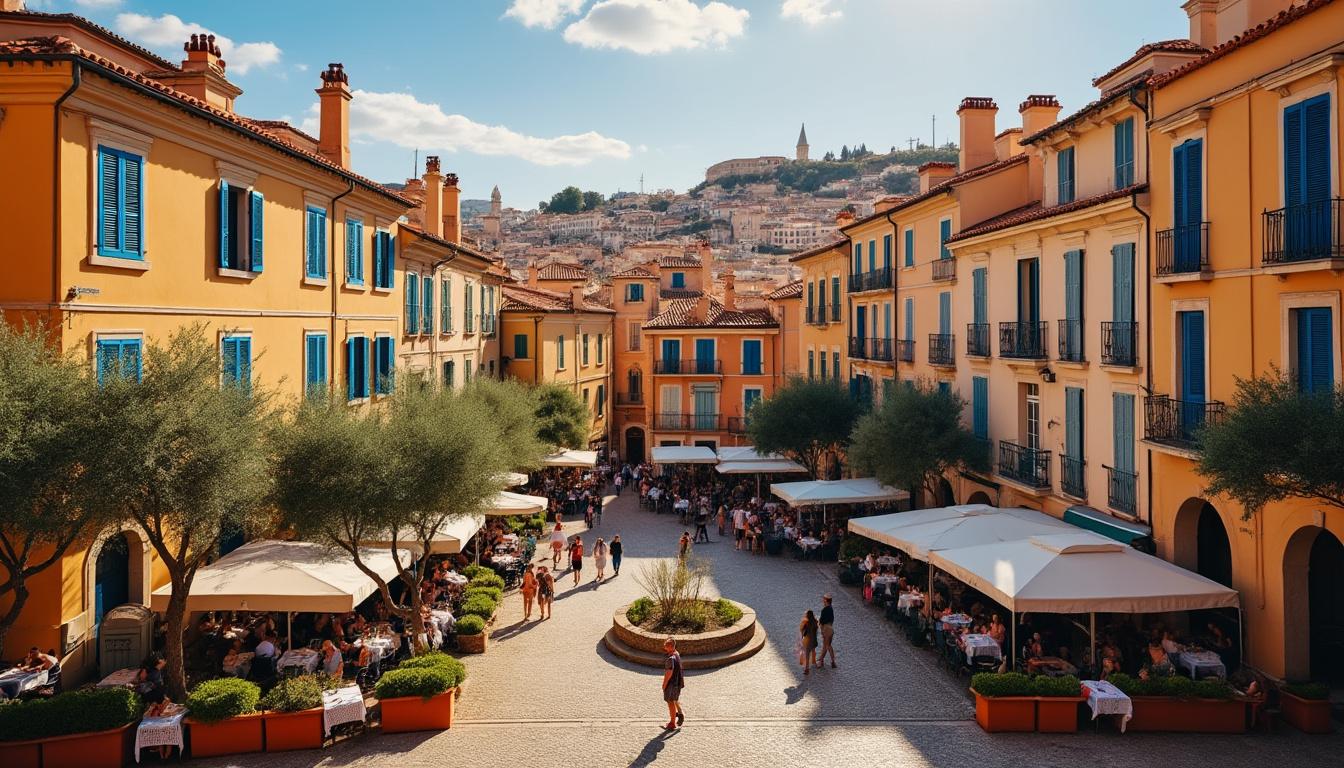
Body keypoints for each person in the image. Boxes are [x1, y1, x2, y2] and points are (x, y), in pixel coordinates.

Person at [662, 638, 685, 729]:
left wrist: (664, 684)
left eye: (666, 646)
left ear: (671, 646)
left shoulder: (670, 659)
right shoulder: (677, 654)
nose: (664, 648)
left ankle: (672, 723)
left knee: (670, 702)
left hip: (671, 684)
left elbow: (669, 673)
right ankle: (679, 714)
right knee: (674, 700)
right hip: (677, 683)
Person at [818, 594, 837, 669]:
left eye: (823, 599)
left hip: (826, 629)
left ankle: (822, 661)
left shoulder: (824, 610)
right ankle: (825, 661)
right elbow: (832, 619)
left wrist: (822, 629)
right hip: (830, 628)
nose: (822, 600)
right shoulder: (831, 608)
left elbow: (821, 621)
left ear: (826, 600)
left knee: (827, 646)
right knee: (827, 645)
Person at [799, 610, 819, 675]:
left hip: (808, 639)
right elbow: (816, 630)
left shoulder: (806, 622)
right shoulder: (815, 621)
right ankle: (814, 662)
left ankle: (807, 669)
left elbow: (802, 630)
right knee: (813, 650)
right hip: (814, 639)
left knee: (807, 654)